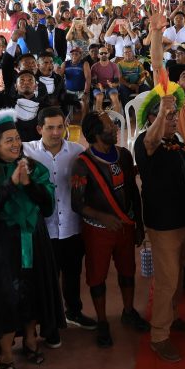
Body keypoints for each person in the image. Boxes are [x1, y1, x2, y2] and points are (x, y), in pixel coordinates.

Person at [0, 109, 63, 369]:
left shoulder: (32, 167)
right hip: (2, 243)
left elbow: (47, 205)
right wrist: (10, 185)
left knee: (33, 289)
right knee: (6, 295)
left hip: (34, 238)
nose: (15, 144)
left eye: (17, 138)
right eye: (9, 140)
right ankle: (6, 354)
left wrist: (28, 184)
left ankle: (31, 341)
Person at [70, 110, 148, 348]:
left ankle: (128, 311)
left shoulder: (123, 155)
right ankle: (102, 321)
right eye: (110, 126)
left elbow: (133, 192)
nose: (115, 128)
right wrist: (103, 217)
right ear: (96, 134)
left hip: (125, 227)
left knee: (128, 270)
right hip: (97, 231)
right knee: (97, 276)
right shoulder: (82, 165)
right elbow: (77, 204)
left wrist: (139, 224)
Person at [134, 81, 185, 362]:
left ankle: (171, 317)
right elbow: (151, 142)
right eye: (165, 116)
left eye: (174, 115)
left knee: (179, 273)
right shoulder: (145, 142)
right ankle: (159, 335)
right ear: (152, 118)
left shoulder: (178, 142)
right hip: (163, 224)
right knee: (167, 280)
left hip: (184, 220)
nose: (172, 119)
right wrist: (163, 110)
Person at [23, 107, 98, 345]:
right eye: (50, 128)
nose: (56, 133)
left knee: (73, 273)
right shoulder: (26, 151)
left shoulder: (77, 151)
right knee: (46, 279)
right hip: (43, 229)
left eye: (60, 127)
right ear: (39, 129)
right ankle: (49, 324)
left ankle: (73, 311)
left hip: (72, 226)